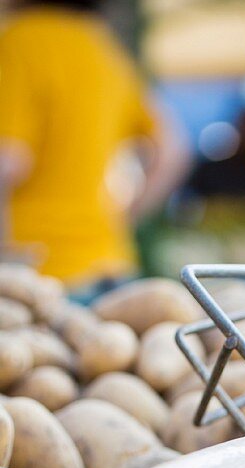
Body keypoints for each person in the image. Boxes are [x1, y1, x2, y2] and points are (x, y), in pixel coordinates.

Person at [0, 0, 190, 289]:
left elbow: (8, 161)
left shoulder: (19, 40)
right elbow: (173, 153)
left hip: (35, 273)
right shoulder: (107, 49)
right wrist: (123, 221)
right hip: (109, 264)